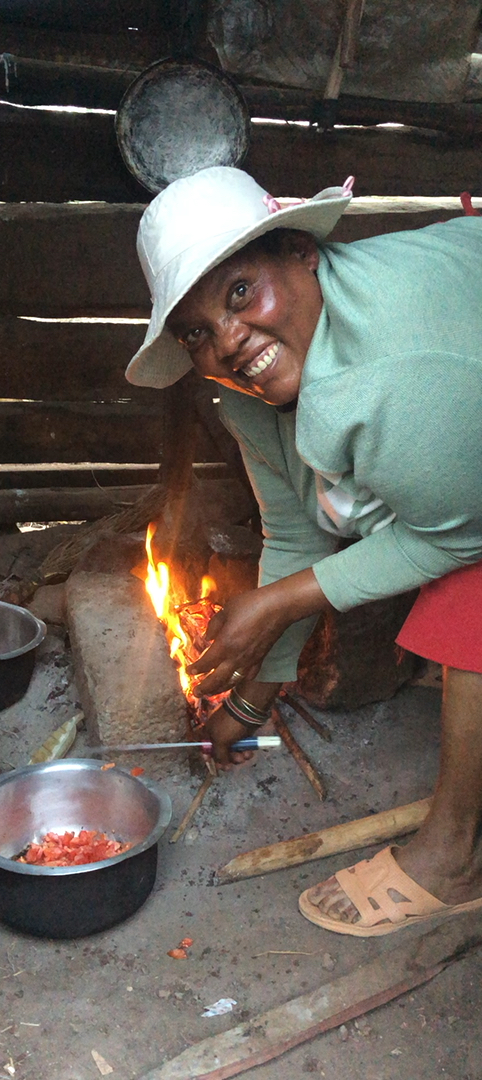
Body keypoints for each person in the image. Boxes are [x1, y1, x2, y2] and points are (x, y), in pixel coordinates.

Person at [125, 165, 482, 937]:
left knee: (466, 601)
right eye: (196, 331)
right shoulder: (257, 394)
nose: (227, 341)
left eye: (240, 293)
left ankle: (454, 855)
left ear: (301, 253)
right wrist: (253, 698)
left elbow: (461, 533)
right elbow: (294, 534)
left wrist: (281, 602)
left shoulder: (393, 373)